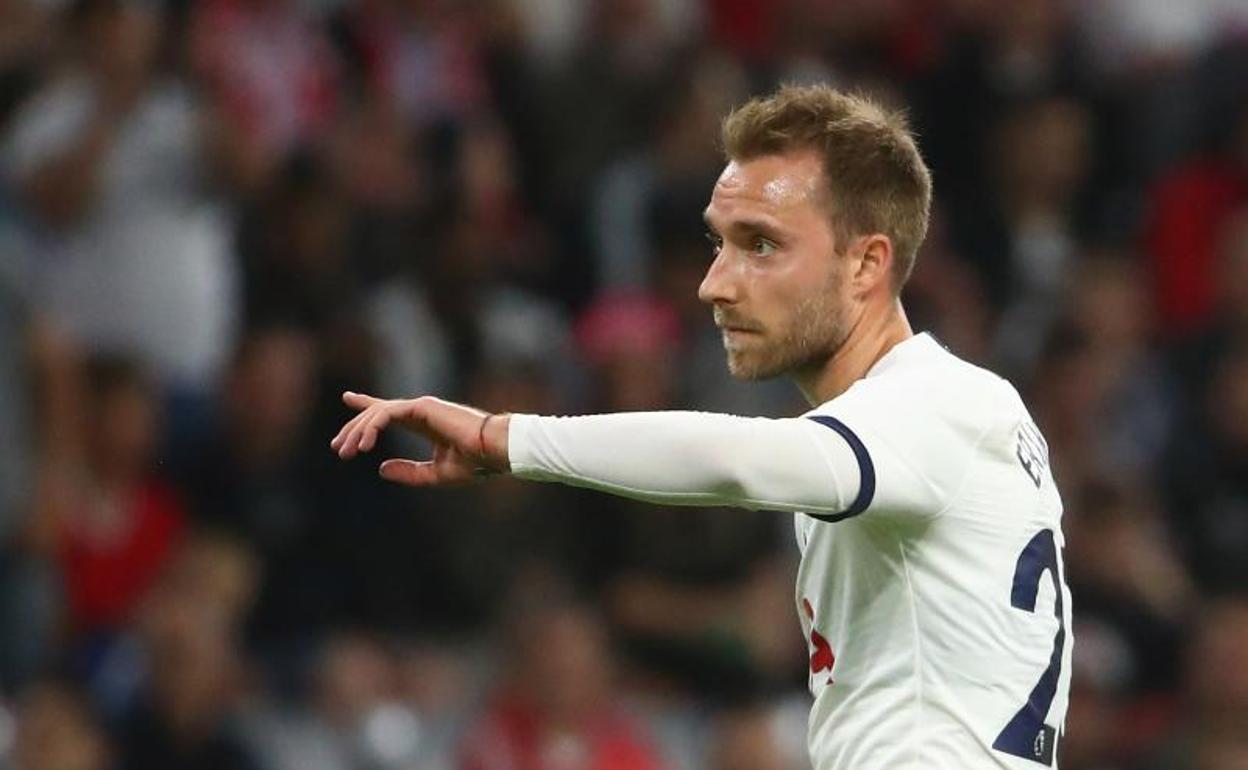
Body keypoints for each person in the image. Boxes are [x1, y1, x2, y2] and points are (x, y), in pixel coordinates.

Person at [331, 84, 1073, 769]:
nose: (715, 283)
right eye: (720, 242)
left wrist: (509, 438)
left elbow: (736, 463)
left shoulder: (926, 408)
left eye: (761, 245)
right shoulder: (947, 416)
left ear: (866, 265)